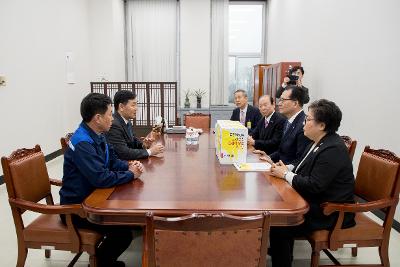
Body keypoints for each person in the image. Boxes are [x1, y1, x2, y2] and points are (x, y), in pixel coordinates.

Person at [268, 99, 356, 267]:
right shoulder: (319, 141)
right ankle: (281, 253)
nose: (304, 122)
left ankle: (281, 259)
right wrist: (287, 168)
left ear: (321, 125)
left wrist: (286, 174)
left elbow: (314, 185)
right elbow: (303, 164)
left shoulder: (333, 149)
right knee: (278, 214)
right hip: (316, 202)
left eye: (308, 119)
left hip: (330, 211)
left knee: (280, 223)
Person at [60, 92, 144, 267]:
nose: (112, 118)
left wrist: (129, 166)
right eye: (109, 114)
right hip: (77, 208)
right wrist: (131, 174)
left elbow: (112, 160)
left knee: (132, 221)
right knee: (123, 233)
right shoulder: (83, 142)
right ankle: (102, 262)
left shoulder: (97, 134)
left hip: (94, 196)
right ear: (98, 118)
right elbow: (101, 178)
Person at [255, 86, 311, 165]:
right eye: (279, 100)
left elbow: (300, 161)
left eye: (283, 100)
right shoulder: (288, 121)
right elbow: (282, 151)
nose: (279, 104)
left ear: (295, 103)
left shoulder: (304, 125)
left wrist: (280, 168)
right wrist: (268, 157)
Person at [106, 90, 164, 160]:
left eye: (136, 105)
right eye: (133, 105)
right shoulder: (114, 124)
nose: (136, 108)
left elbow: (133, 141)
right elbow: (123, 153)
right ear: (121, 107)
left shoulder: (127, 121)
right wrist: (150, 151)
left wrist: (144, 145)